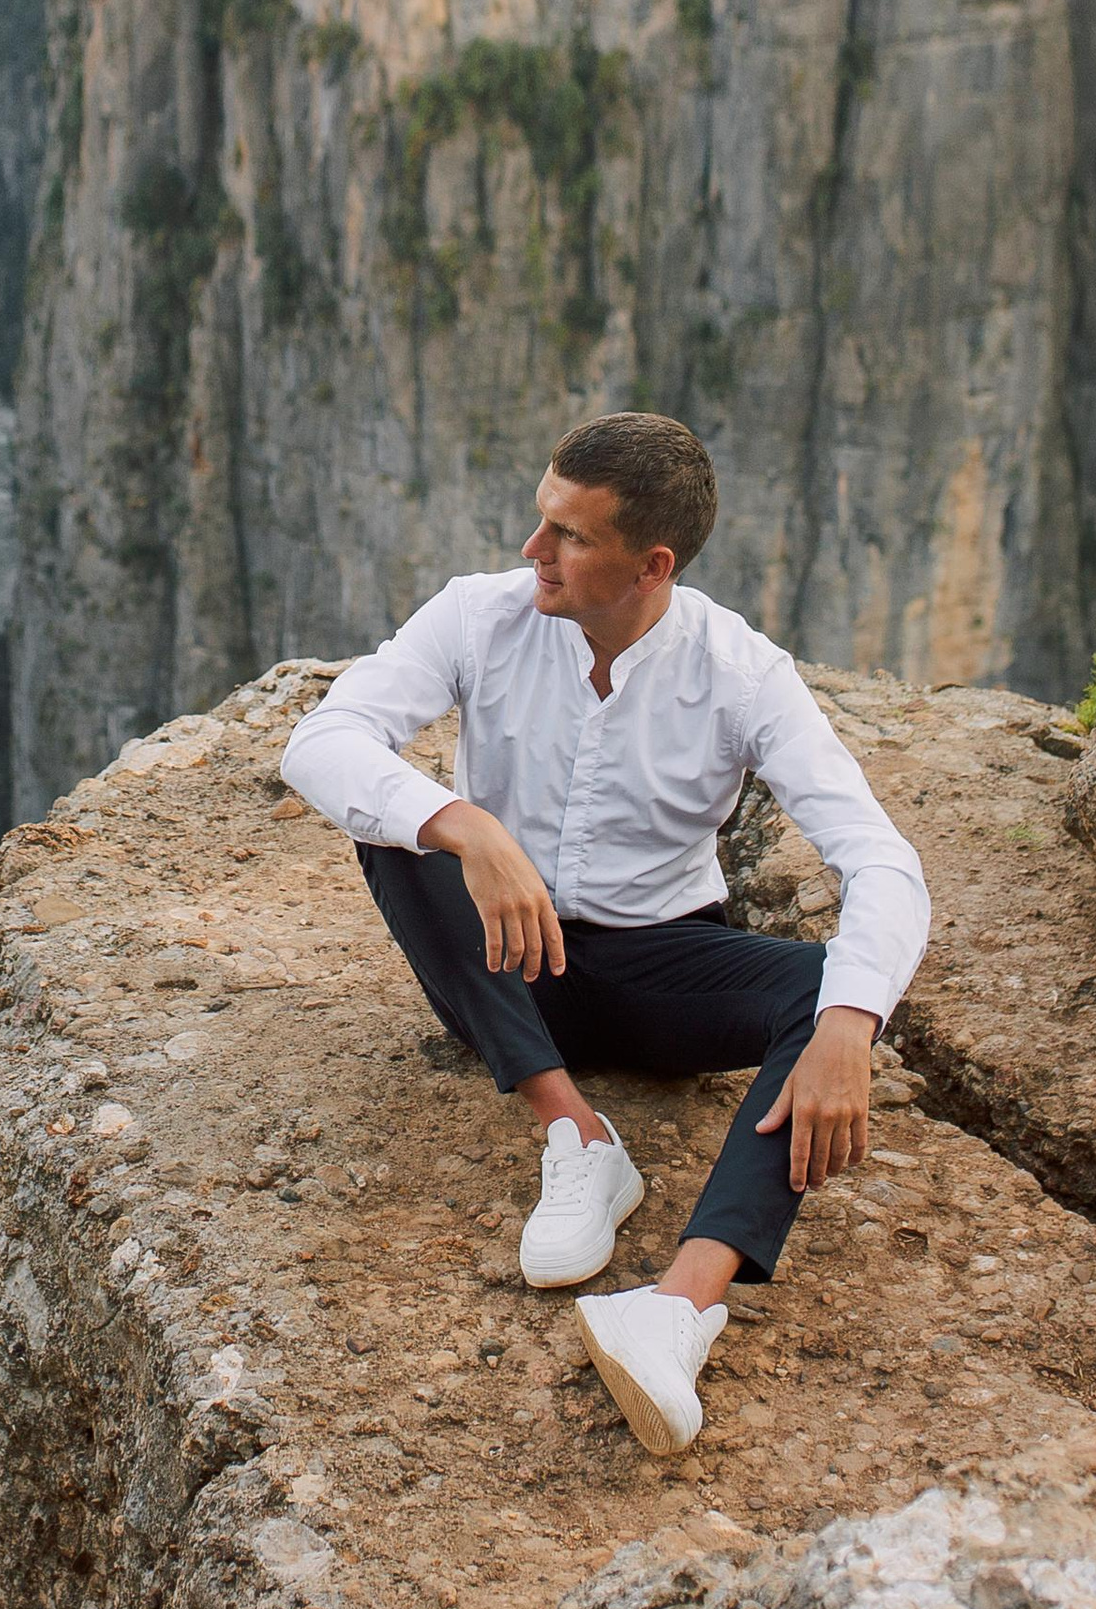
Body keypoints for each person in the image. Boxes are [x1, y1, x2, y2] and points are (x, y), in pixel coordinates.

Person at [279, 413, 930, 1455]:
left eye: (570, 536)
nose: (533, 548)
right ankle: (576, 1132)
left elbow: (882, 860)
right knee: (397, 829)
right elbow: (322, 740)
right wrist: (469, 826)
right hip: (503, 966)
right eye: (542, 519)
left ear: (651, 565)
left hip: (660, 969)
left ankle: (676, 1307)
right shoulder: (478, 615)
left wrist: (850, 1025)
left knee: (831, 998)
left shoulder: (740, 671)